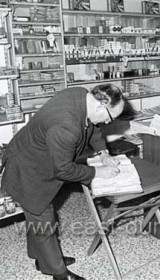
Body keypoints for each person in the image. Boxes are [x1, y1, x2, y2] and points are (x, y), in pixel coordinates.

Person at [1, 84, 125, 280]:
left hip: (36, 156)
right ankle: (59, 274)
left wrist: (103, 153)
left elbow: (93, 127)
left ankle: (43, 259)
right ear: (101, 106)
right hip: (26, 167)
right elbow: (64, 170)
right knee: (44, 218)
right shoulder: (66, 125)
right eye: (111, 118)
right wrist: (98, 172)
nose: (108, 123)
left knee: (38, 213)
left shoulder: (83, 96)